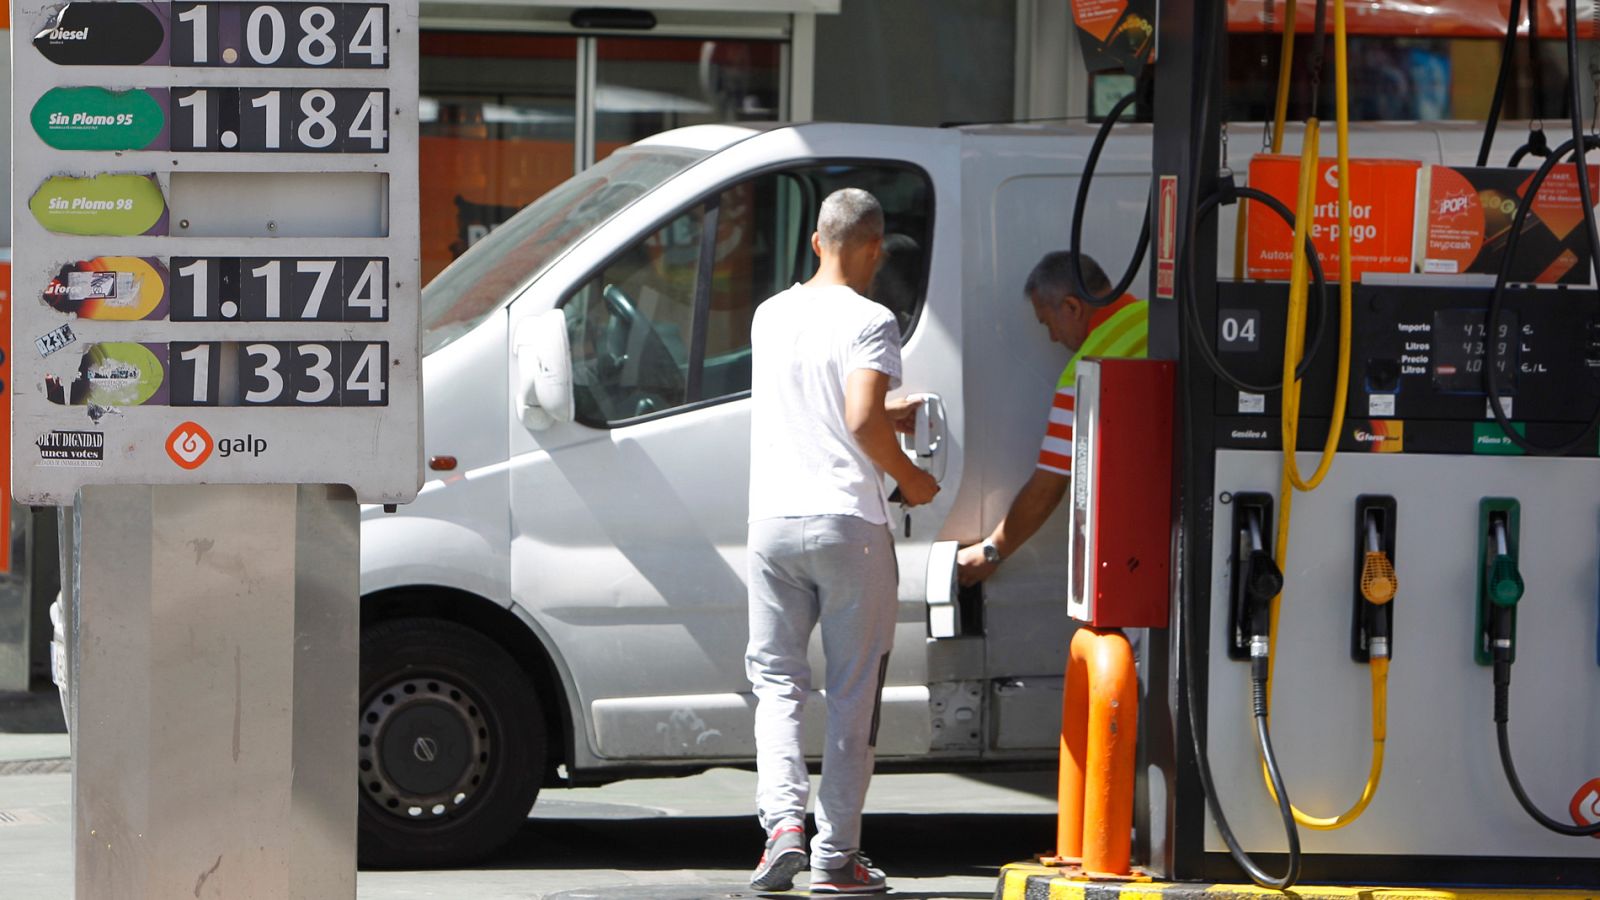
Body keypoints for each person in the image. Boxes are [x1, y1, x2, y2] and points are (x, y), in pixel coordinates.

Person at [745, 188, 939, 894]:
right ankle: (836, 857)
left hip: (771, 523)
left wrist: (887, 408)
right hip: (848, 521)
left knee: (776, 683)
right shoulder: (872, 319)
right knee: (854, 691)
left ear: (816, 241)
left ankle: (781, 829)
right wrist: (911, 477)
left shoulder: (771, 315)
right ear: (875, 248)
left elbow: (815, 400)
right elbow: (857, 421)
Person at [955, 251, 1148, 586]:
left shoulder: (1085, 372)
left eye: (1048, 323)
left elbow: (1047, 487)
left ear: (1072, 307)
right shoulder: (1155, 318)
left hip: (1138, 549)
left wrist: (991, 552)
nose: (1053, 338)